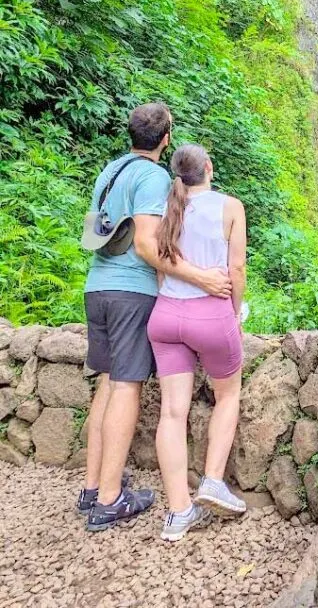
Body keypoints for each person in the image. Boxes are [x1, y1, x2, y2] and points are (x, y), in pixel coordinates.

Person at [79, 103, 233, 532]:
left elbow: (94, 231)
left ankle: (93, 487)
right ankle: (110, 499)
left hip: (99, 286)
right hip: (131, 291)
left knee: (108, 382)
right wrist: (201, 277)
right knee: (127, 385)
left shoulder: (110, 171)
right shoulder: (153, 177)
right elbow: (148, 246)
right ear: (166, 139)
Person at [147, 143, 247, 542]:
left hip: (166, 316)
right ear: (208, 168)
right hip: (211, 314)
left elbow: (158, 263)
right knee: (228, 395)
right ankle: (212, 481)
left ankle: (177, 513)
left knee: (172, 413)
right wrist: (235, 314)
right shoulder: (230, 206)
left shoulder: (167, 206)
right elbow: (236, 268)